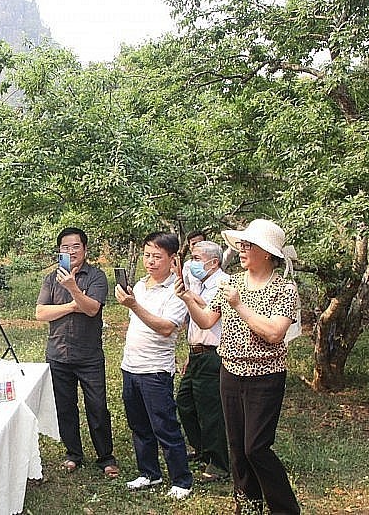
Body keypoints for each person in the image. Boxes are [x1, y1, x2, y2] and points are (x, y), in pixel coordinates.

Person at [174, 219, 300, 514]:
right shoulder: (231, 283)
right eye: (241, 245)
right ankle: (248, 506)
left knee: (256, 447)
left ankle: (284, 509)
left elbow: (273, 333)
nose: (242, 250)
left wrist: (240, 305)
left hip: (265, 377)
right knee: (237, 449)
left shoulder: (284, 289)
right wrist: (187, 298)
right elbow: (206, 319)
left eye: (249, 246)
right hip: (230, 372)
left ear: (267, 253)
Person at [35, 227, 119, 478]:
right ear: (59, 250)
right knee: (65, 408)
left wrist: (72, 288)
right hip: (58, 354)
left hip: (88, 356)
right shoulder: (51, 278)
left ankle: (105, 457)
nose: (70, 251)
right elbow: (40, 313)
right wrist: (73, 305)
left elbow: (92, 309)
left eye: (75, 247)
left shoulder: (96, 276)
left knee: (97, 407)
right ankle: (73, 454)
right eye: (65, 247)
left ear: (85, 249)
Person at [115, 232, 193, 500]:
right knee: (139, 425)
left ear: (173, 260)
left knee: (165, 426)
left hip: (155, 370)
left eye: (157, 257)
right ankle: (149, 473)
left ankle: (182, 480)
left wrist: (134, 306)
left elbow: (166, 328)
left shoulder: (177, 292)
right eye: (147, 255)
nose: (150, 261)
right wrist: (134, 302)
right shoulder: (138, 286)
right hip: (131, 366)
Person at [174, 240, 230, 482]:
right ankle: (201, 449)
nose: (192, 263)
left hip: (214, 354)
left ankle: (218, 463)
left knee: (211, 410)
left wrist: (188, 296)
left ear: (213, 262)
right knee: (185, 403)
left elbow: (209, 313)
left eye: (196, 258)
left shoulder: (224, 283)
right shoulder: (202, 283)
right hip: (196, 353)